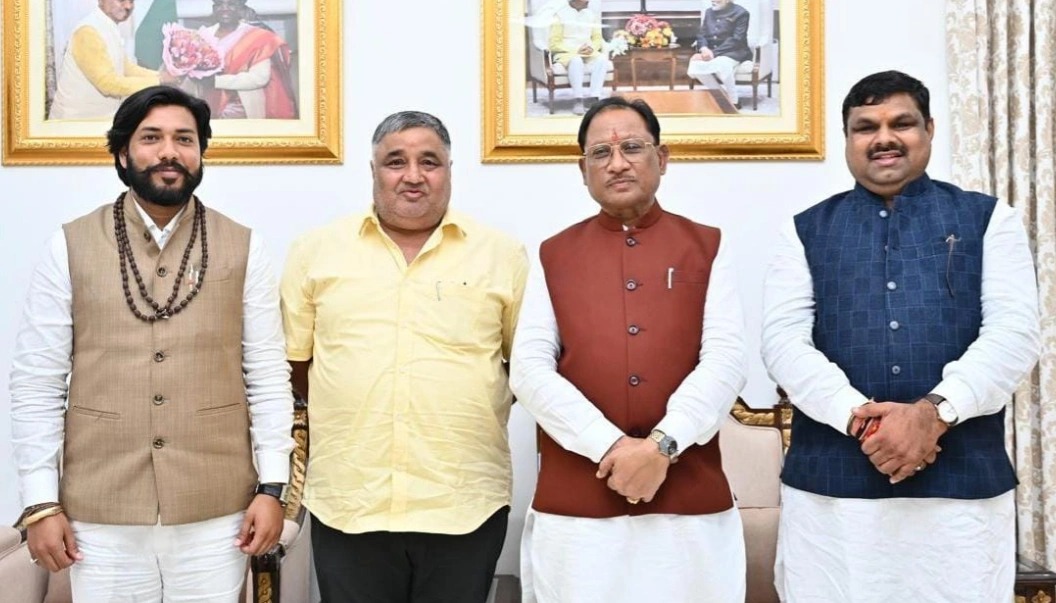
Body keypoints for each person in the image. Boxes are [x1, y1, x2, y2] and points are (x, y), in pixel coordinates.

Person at [761, 70, 1041, 602]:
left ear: (929, 129)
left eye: (901, 123)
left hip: (960, 493)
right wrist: (863, 421)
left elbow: (1014, 335)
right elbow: (783, 343)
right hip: (832, 499)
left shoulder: (988, 219)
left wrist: (932, 415)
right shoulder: (804, 229)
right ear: (848, 139)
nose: (883, 138)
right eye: (866, 127)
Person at [10, 85, 294, 601]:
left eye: (184, 139)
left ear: (201, 152)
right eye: (151, 138)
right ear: (123, 153)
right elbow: (37, 382)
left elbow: (268, 376)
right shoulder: (68, 245)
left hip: (217, 508)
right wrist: (40, 502)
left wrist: (272, 487)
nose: (169, 152)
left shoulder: (243, 245)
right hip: (101, 508)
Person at [280, 111, 528, 602]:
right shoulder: (316, 251)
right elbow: (295, 365)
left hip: (463, 500)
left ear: (450, 170)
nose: (413, 175)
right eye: (396, 161)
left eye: (429, 162)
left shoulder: (501, 255)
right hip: (351, 499)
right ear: (373, 171)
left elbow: (521, 366)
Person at [510, 96, 748, 602]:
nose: (617, 163)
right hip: (577, 509)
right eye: (601, 153)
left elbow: (726, 360)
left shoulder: (706, 244)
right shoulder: (554, 253)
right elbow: (528, 369)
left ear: (662, 158)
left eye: (632, 148)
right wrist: (612, 448)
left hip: (689, 504)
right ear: (583, 170)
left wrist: (662, 446)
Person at [50, 0, 178, 120]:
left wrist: (161, 76)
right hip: (76, 121)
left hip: (98, 118)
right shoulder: (88, 31)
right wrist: (159, 81)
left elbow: (126, 68)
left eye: (131, 1)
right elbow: (107, 83)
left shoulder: (108, 25)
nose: (128, 6)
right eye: (121, 0)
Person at [197, 0, 298, 119]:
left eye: (231, 4)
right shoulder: (202, 36)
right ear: (214, 9)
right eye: (220, 4)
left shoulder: (258, 37)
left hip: (242, 106)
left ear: (241, 9)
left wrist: (216, 81)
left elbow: (259, 78)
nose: (225, 8)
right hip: (206, 103)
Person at [687, 0, 751, 109]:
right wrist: (704, 49)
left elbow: (737, 39)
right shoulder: (709, 12)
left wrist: (713, 53)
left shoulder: (741, 13)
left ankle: (734, 100)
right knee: (695, 65)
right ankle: (720, 95)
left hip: (734, 52)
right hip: (711, 51)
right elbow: (702, 35)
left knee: (722, 64)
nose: (713, 1)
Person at [547, 0, 608, 116]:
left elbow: (597, 38)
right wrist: (576, 50)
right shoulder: (559, 15)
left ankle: (594, 98)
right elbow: (554, 44)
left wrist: (592, 48)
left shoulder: (591, 15)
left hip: (588, 52)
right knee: (576, 60)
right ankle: (578, 100)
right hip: (567, 53)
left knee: (602, 59)